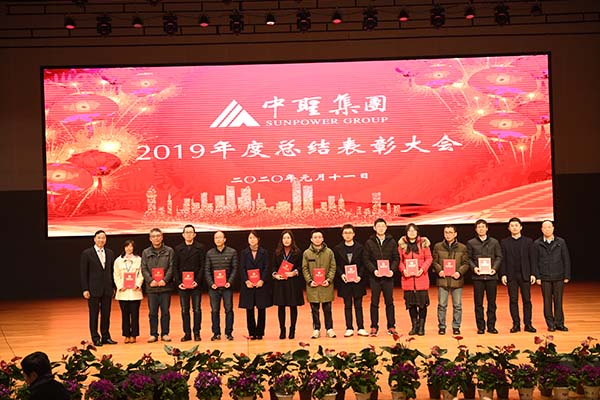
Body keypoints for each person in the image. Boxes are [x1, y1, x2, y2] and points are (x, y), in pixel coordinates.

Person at [362, 218, 400, 336]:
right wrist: (374, 270)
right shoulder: (369, 242)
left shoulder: (392, 242)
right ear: (374, 228)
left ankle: (391, 326)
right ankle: (374, 327)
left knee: (389, 302)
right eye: (378, 226)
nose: (381, 228)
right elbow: (366, 259)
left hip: (388, 277)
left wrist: (392, 270)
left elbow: (396, 258)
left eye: (383, 226)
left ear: (386, 227)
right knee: (374, 302)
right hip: (375, 277)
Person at [500, 217, 537, 333]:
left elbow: (532, 259)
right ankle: (516, 324)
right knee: (513, 300)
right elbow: (503, 260)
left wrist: (533, 273)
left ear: (521, 227)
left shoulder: (528, 241)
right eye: (512, 226)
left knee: (527, 300)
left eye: (516, 225)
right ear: (509, 228)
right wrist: (503, 274)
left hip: (525, 274)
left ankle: (528, 324)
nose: (514, 227)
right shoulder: (504, 242)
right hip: (511, 275)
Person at [80, 230, 116, 346]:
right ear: (94, 239)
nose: (101, 240)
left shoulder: (110, 252)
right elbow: (83, 273)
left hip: (107, 288)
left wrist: (113, 286)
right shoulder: (87, 253)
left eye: (103, 238)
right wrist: (85, 289)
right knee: (94, 314)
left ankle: (106, 336)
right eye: (99, 238)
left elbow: (112, 271)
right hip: (93, 289)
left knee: (106, 314)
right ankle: (95, 337)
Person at [534, 220, 571, 332]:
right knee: (547, 301)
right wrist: (537, 276)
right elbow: (534, 261)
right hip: (544, 277)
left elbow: (566, 259)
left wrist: (567, 275)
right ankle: (550, 324)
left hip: (559, 276)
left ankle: (559, 323)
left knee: (558, 301)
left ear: (553, 228)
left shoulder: (561, 242)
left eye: (549, 227)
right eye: (545, 227)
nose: (547, 229)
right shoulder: (537, 243)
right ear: (541, 229)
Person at [432, 225, 469, 335]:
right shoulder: (438, 246)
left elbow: (466, 263)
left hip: (456, 280)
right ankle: (442, 326)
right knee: (442, 305)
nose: (448, 235)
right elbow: (434, 262)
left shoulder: (462, 247)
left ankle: (456, 326)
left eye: (450, 232)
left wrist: (459, 272)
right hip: (442, 280)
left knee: (457, 306)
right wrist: (439, 270)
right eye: (446, 232)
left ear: (455, 234)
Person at [467, 219, 502, 334]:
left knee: (492, 303)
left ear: (487, 228)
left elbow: (499, 257)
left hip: (491, 277)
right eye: (479, 227)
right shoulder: (471, 242)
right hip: (478, 277)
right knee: (478, 304)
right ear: (476, 229)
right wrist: (474, 268)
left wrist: (494, 268)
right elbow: (468, 258)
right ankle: (480, 327)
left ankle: (491, 326)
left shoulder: (494, 242)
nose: (481, 229)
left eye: (483, 226)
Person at [333, 224, 369, 337]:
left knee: (359, 305)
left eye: (350, 233)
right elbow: (336, 264)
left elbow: (364, 263)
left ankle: (361, 327)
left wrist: (360, 276)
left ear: (354, 234)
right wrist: (342, 274)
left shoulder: (360, 247)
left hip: (358, 281)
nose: (348, 235)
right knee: (347, 305)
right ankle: (349, 328)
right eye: (345, 233)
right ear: (342, 235)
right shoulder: (338, 248)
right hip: (345, 281)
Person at [141, 228, 175, 343]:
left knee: (165, 312)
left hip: (165, 287)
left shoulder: (169, 251)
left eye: (158, 236)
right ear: (150, 238)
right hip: (152, 287)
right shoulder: (146, 252)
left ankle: (165, 333)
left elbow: (171, 267)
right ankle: (153, 334)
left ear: (162, 237)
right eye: (153, 236)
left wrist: (165, 280)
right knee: (152, 313)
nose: (156, 238)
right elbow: (144, 268)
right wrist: (150, 280)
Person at [398, 223, 432, 336]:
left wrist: (422, 269)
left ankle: (421, 327)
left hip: (421, 278)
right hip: (407, 279)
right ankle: (414, 326)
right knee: (411, 305)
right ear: (406, 233)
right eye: (409, 231)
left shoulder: (424, 244)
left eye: (414, 230)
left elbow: (429, 258)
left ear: (417, 232)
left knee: (422, 305)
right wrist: (403, 270)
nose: (411, 233)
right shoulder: (402, 245)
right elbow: (399, 260)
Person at [302, 228, 337, 339]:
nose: (317, 239)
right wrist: (309, 281)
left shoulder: (329, 252)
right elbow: (304, 268)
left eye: (319, 237)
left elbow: (333, 267)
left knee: (328, 309)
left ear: (323, 239)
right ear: (311, 239)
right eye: (315, 237)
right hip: (313, 286)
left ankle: (329, 329)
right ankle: (316, 329)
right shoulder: (306, 253)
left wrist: (329, 279)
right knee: (314, 310)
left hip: (326, 285)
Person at [174, 224, 206, 342]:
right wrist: (179, 282)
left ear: (194, 234)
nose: (188, 234)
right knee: (184, 310)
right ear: (183, 235)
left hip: (196, 285)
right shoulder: (178, 249)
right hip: (183, 285)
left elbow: (202, 266)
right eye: (186, 232)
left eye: (190, 232)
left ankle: (197, 333)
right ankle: (187, 333)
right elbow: (175, 267)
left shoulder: (200, 247)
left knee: (197, 309)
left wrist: (197, 281)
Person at [205, 230, 238, 341]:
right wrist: (211, 283)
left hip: (227, 287)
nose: (218, 240)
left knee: (229, 310)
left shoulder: (232, 252)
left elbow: (234, 269)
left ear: (224, 239)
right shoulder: (209, 253)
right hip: (214, 288)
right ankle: (216, 333)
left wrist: (230, 282)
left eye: (220, 237)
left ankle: (229, 333)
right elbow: (207, 270)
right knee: (215, 310)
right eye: (216, 238)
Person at [239, 230, 272, 340]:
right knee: (249, 309)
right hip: (248, 285)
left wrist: (262, 280)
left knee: (261, 309)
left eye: (254, 237)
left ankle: (260, 332)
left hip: (260, 285)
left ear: (258, 239)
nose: (252, 240)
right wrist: (246, 281)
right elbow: (242, 268)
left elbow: (267, 267)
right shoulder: (244, 253)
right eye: (250, 238)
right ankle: (252, 332)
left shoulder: (264, 252)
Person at [272, 229, 305, 339]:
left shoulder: (298, 252)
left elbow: (301, 267)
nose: (286, 240)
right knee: (281, 307)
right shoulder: (277, 252)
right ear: (281, 240)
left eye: (288, 238)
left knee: (293, 307)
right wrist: (275, 274)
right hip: (281, 283)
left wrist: (294, 272)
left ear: (292, 239)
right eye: (284, 238)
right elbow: (273, 267)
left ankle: (292, 330)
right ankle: (282, 330)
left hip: (293, 283)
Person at [113, 239, 143, 343]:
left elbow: (141, 274)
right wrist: (120, 286)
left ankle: (134, 335)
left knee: (135, 315)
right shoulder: (118, 260)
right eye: (127, 246)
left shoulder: (139, 259)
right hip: (123, 292)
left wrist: (137, 284)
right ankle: (126, 334)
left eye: (131, 246)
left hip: (135, 292)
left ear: (134, 248)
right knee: (124, 315)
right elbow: (116, 275)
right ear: (124, 248)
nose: (129, 248)